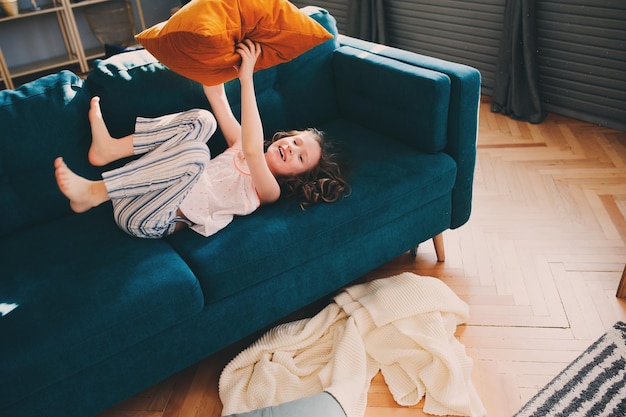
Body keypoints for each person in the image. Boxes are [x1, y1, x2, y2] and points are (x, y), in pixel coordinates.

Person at [54, 40, 348, 239]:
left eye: (300, 157)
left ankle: (97, 191)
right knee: (203, 120)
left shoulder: (267, 191)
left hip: (150, 218)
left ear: (298, 177)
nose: (290, 148)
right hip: (138, 191)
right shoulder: (240, 150)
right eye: (295, 141)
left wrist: (247, 79)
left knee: (197, 154)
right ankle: (111, 149)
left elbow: (253, 149)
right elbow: (215, 94)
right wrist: (215, 49)